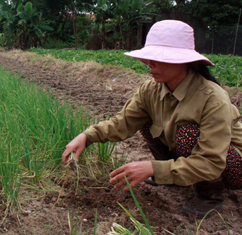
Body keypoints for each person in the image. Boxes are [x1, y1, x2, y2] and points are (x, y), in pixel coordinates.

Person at [62, 20, 241, 219]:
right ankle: (169, 175)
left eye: (158, 58)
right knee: (146, 120)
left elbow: (211, 162)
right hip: (200, 160)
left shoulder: (212, 99)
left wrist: (152, 168)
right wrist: (87, 136)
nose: (150, 64)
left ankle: (210, 196)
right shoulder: (151, 90)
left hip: (231, 165)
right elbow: (123, 123)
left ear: (182, 61)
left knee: (189, 134)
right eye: (149, 58)